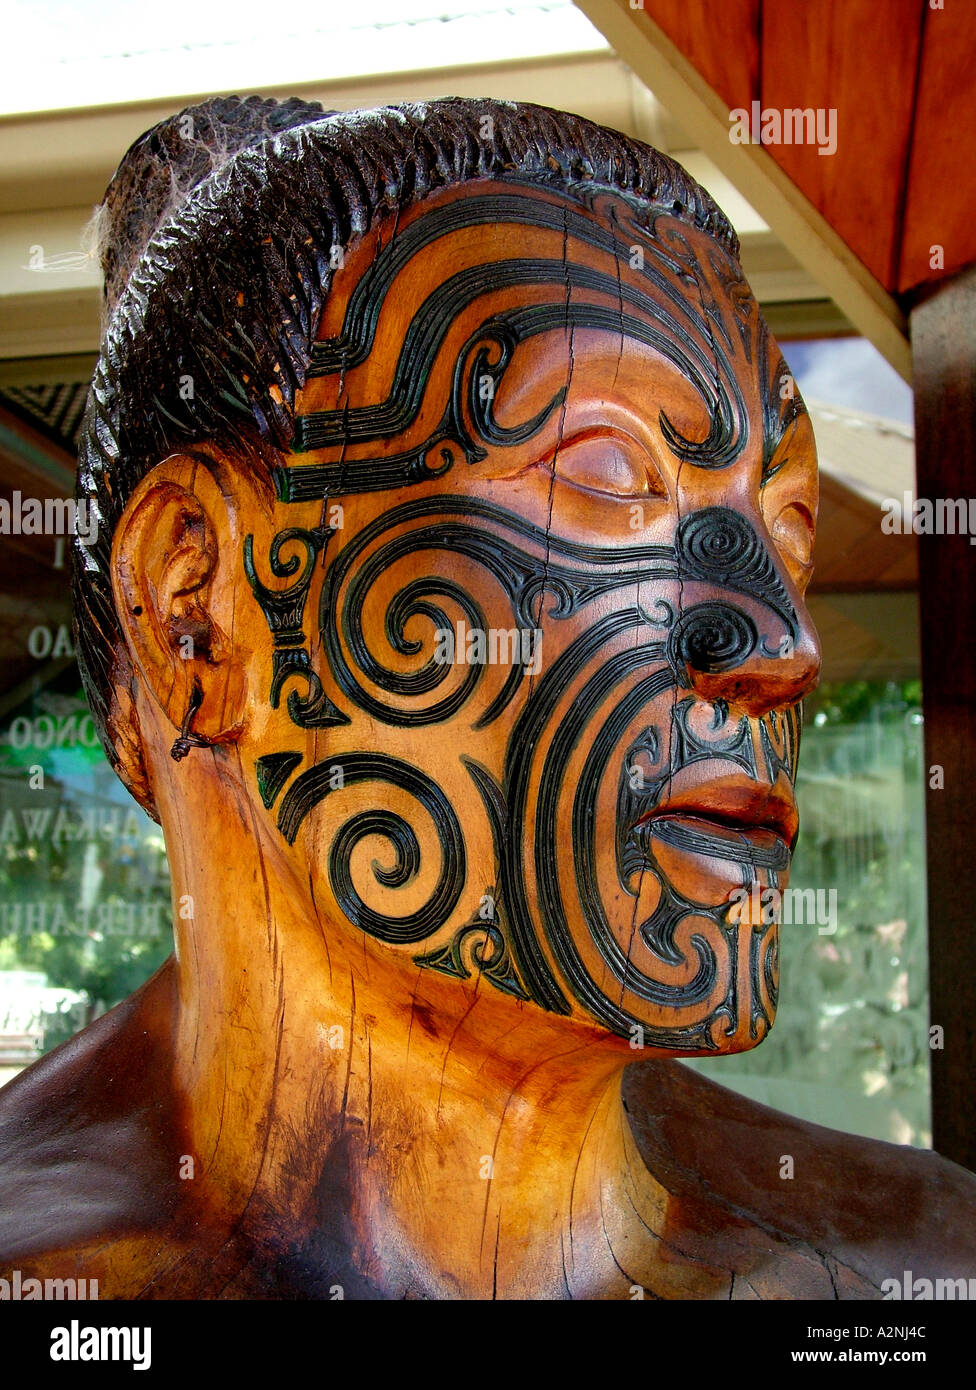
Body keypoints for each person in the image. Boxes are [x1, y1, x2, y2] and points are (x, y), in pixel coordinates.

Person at [0, 95, 972, 1299]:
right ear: (198, 605)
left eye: (783, 529)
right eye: (605, 469)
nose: (781, 643)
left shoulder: (916, 1269)